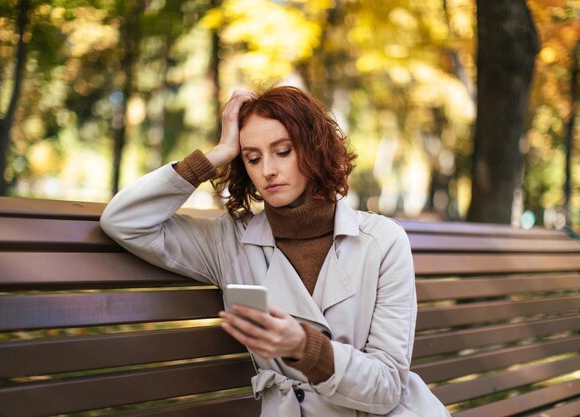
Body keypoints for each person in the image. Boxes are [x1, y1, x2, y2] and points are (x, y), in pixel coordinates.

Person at [100, 86, 450, 417]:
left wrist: (305, 348)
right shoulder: (228, 241)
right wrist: (217, 154)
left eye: (283, 152)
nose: (268, 170)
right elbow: (125, 221)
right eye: (252, 158)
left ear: (314, 149)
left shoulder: (383, 240)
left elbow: (387, 386)